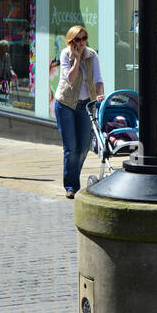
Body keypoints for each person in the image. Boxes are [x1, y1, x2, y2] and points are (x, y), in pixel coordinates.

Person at [54, 26, 104, 198]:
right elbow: (70, 78)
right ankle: (71, 185)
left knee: (83, 147)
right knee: (71, 147)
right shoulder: (64, 55)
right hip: (65, 104)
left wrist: (100, 93)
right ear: (71, 41)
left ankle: (73, 178)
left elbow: (98, 79)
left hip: (85, 104)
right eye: (78, 39)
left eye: (84, 39)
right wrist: (76, 60)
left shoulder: (92, 55)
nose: (81, 43)